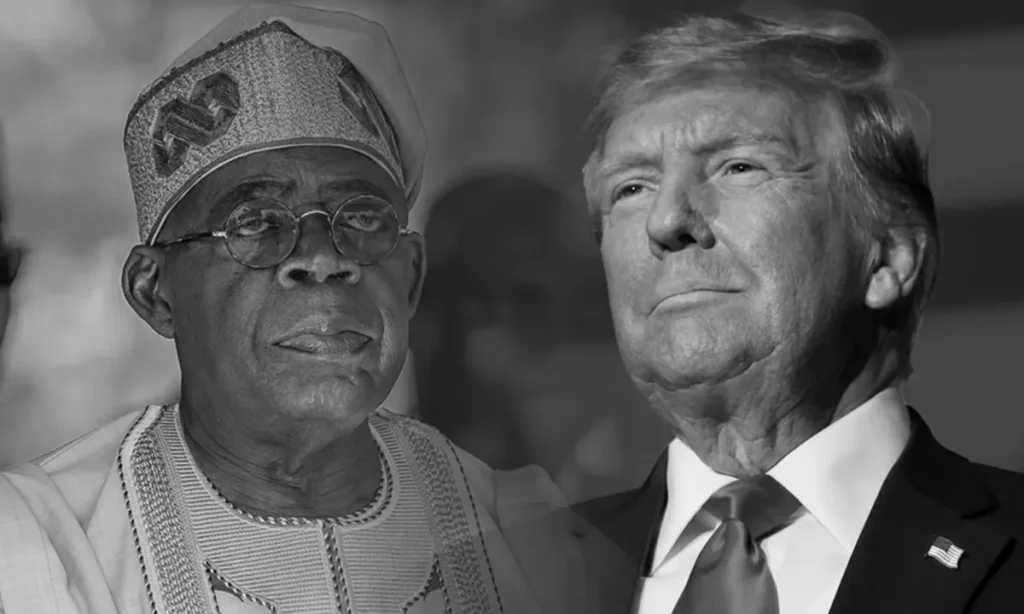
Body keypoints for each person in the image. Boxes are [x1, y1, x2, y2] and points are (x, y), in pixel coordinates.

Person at [0, 5, 580, 613]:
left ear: (410, 276)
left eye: (362, 218)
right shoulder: (39, 545)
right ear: (155, 291)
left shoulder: (531, 535)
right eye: (254, 222)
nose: (323, 259)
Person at [568, 9, 1024, 614]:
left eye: (739, 167)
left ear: (888, 259)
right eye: (631, 188)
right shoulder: (501, 577)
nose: (666, 220)